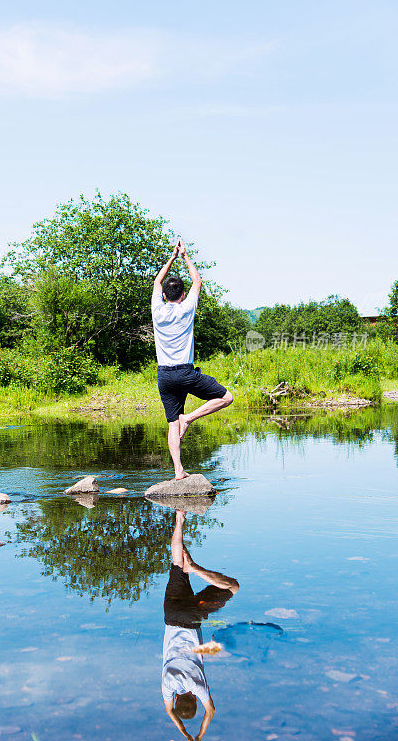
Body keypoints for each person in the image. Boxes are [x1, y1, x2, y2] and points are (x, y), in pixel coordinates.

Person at [152, 239, 233, 479]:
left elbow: (157, 281)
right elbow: (198, 281)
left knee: (171, 424)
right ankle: (189, 418)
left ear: (165, 296)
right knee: (226, 397)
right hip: (185, 373)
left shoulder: (157, 310)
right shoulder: (187, 308)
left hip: (164, 375)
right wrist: (185, 256)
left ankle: (178, 471)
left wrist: (172, 257)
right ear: (183, 294)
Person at [162, 510, 239, 741]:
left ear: (194, 698)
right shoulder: (168, 685)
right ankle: (179, 518)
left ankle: (194, 568)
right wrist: (185, 734)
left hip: (191, 617)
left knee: (232, 587)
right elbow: (168, 712)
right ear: (177, 699)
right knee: (176, 562)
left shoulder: (198, 687)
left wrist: (199, 736)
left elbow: (211, 711)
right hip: (171, 613)